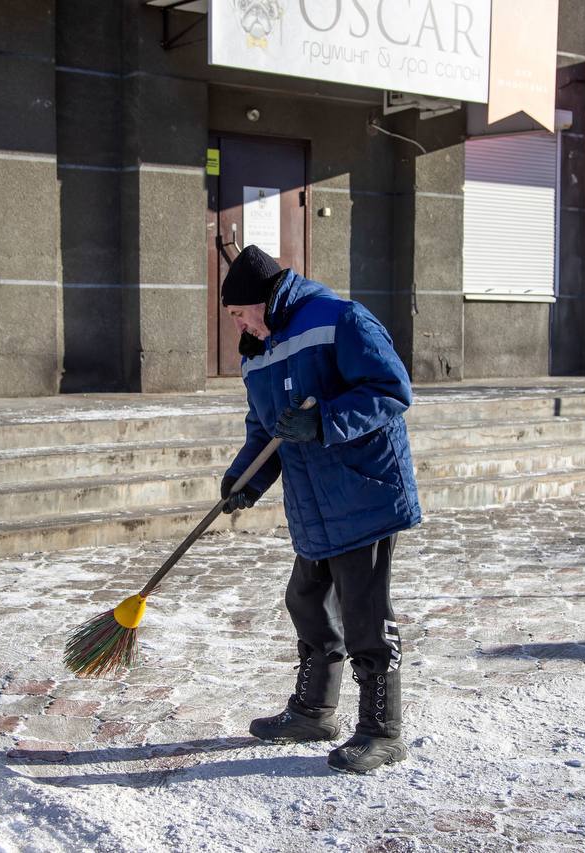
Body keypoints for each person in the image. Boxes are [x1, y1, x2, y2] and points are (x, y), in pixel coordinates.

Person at [219, 244, 422, 774]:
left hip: (362, 493)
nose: (237, 324)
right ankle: (314, 711)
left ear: (264, 300)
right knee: (307, 600)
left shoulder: (341, 319)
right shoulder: (256, 351)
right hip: (313, 504)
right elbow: (265, 430)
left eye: (240, 313)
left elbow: (390, 390)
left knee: (365, 613)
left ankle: (382, 731)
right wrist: (245, 479)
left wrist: (325, 420)